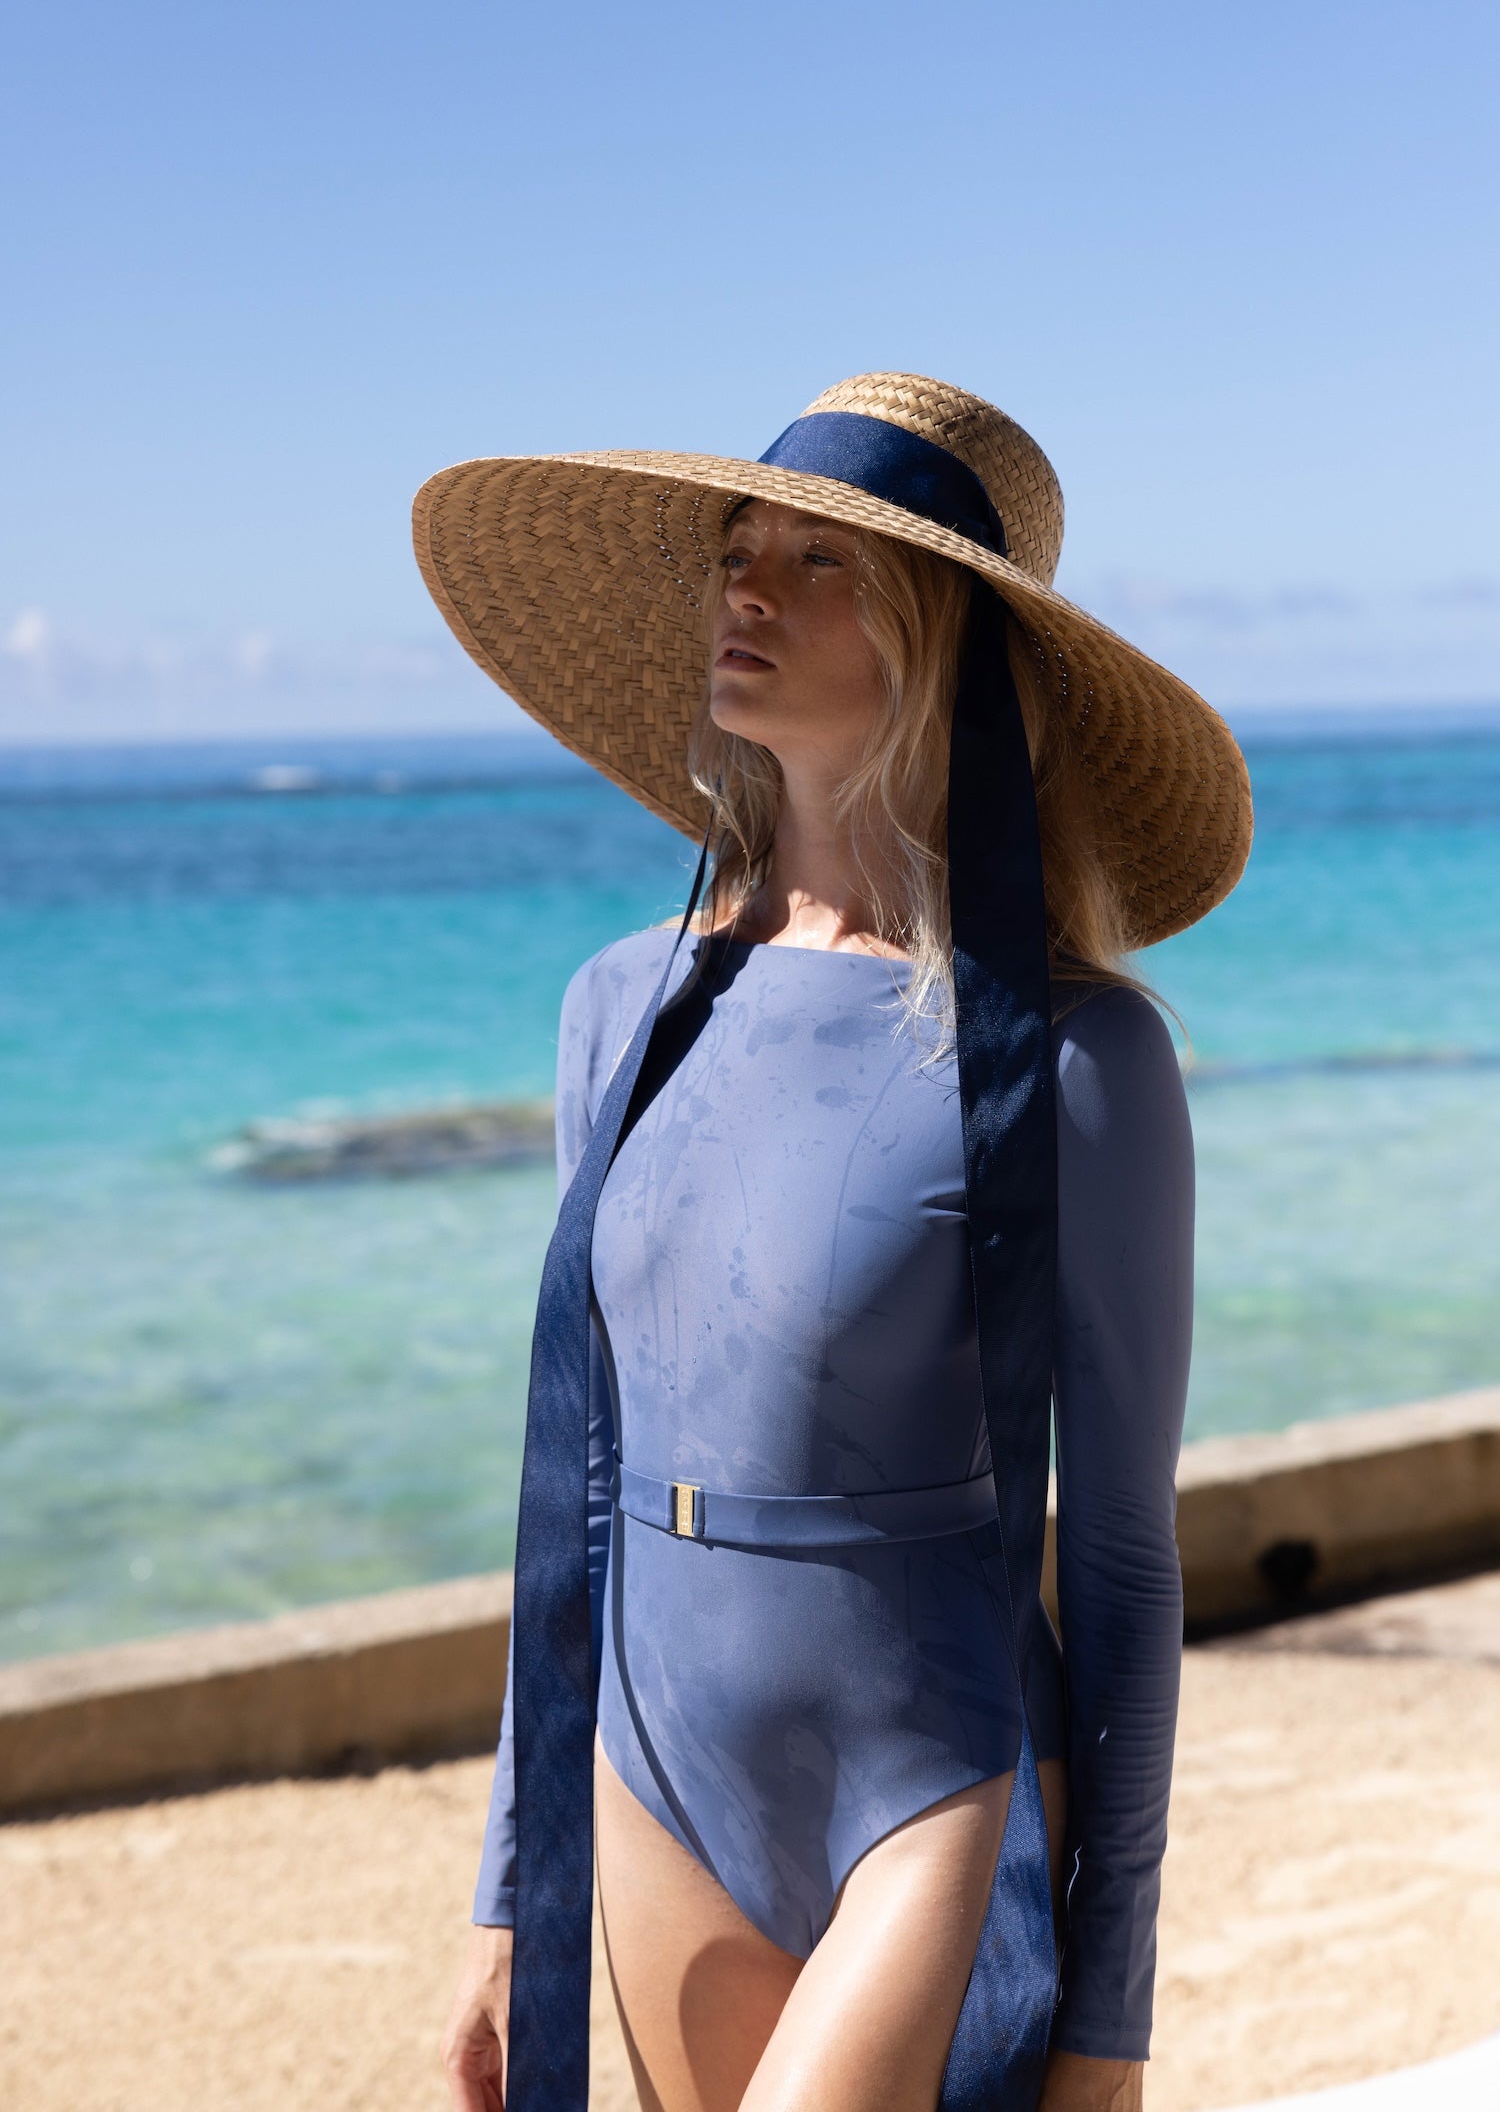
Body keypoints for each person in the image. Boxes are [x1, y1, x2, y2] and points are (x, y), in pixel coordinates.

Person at [413, 374, 1252, 2112]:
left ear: (945, 637)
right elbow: (567, 1495)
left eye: (820, 562)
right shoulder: (615, 1012)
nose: (749, 588)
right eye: (741, 548)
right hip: (648, 1775)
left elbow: (1117, 1563)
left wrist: (1111, 2021)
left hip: (925, 1791)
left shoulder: (1084, 1063)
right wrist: (510, 1893)